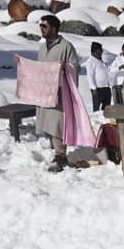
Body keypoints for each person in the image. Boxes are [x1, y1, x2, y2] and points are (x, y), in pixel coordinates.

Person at [36, 13, 80, 171]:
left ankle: (61, 155)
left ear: (54, 28)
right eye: (40, 26)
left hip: (61, 92)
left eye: (44, 26)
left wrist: (65, 67)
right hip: (46, 92)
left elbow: (75, 67)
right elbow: (40, 68)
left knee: (58, 123)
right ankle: (58, 153)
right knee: (49, 122)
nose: (41, 28)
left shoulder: (66, 46)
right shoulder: (42, 48)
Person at [81, 42, 114, 113]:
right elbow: (90, 76)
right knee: (97, 110)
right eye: (100, 50)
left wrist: (108, 85)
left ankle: (105, 122)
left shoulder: (100, 60)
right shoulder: (90, 61)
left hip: (106, 87)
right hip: (97, 89)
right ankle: (96, 123)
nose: (102, 51)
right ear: (94, 50)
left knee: (106, 109)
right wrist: (94, 89)